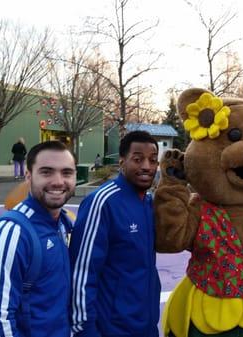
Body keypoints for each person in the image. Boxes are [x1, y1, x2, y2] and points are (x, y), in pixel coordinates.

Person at [0, 140, 76, 337]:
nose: (58, 181)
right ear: (28, 175)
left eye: (66, 173)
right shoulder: (9, 233)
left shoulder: (63, 224)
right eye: (46, 172)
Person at [70, 130, 161, 337]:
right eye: (137, 159)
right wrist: (85, 331)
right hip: (111, 328)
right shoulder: (102, 202)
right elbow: (82, 273)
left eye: (153, 160)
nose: (147, 166)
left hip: (146, 326)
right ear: (122, 162)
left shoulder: (149, 204)